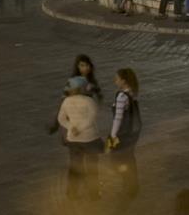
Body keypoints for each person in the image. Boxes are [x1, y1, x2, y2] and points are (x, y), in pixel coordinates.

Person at [52, 75, 103, 201]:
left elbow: (61, 119)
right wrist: (80, 129)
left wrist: (71, 127)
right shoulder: (89, 101)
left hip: (73, 140)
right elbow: (91, 120)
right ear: (83, 88)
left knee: (75, 167)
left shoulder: (66, 102)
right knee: (92, 167)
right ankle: (94, 195)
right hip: (90, 138)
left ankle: (72, 194)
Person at [106, 68, 142, 201]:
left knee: (118, 160)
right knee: (129, 159)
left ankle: (128, 185)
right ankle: (132, 186)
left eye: (117, 78)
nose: (115, 80)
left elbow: (118, 118)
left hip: (122, 135)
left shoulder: (121, 96)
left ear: (124, 80)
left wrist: (113, 135)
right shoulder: (132, 93)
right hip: (132, 133)